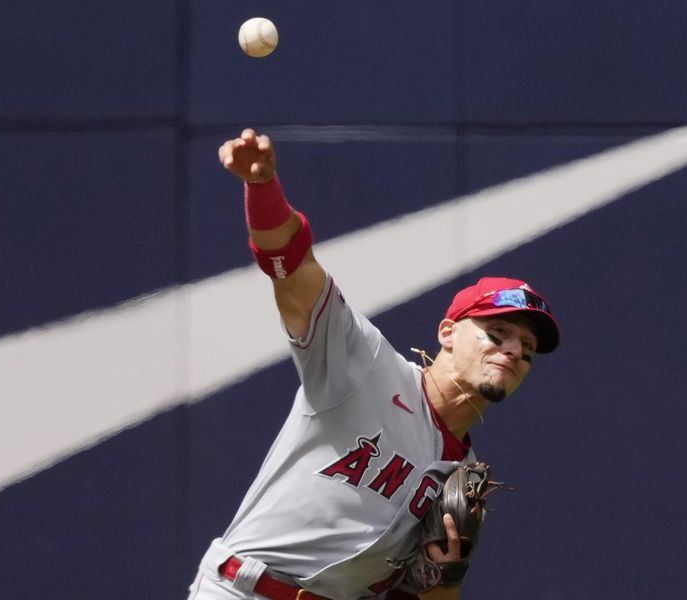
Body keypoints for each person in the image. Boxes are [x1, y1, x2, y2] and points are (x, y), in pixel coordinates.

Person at [187, 129, 560, 600]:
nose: (512, 350)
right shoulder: (366, 364)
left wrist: (447, 575)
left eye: (526, 347)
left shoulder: (459, 482)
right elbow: (294, 271)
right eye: (497, 333)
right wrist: (263, 189)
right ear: (447, 332)